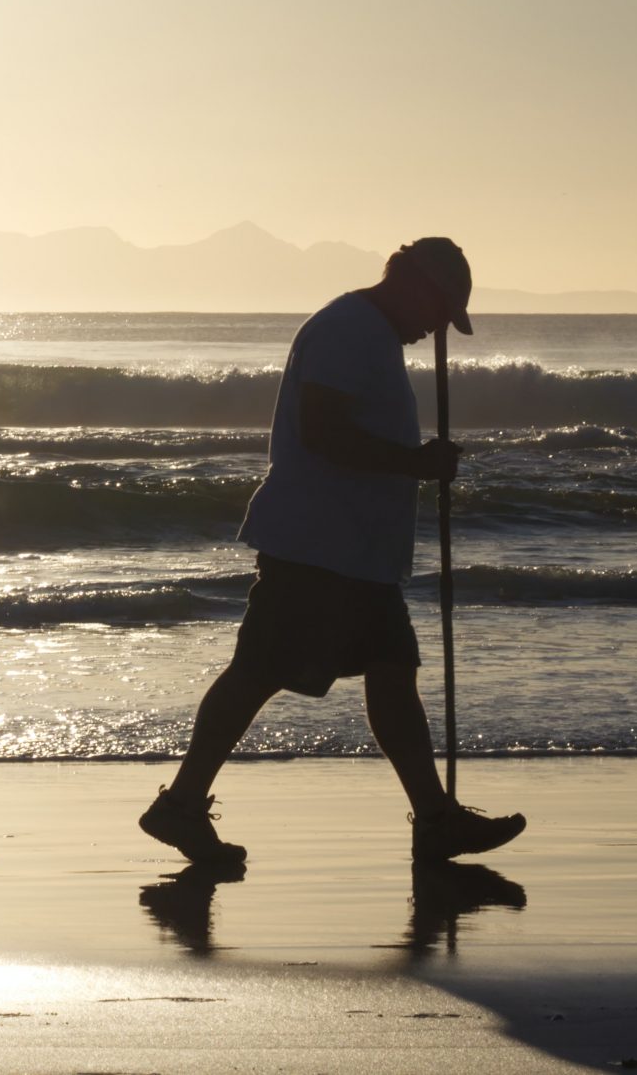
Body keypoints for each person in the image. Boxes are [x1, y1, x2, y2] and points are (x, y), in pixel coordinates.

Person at [139, 237, 526, 867]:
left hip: (354, 552)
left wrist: (413, 467)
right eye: (439, 310)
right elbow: (323, 434)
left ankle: (434, 820)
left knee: (391, 672)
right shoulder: (350, 329)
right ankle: (179, 805)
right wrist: (415, 464)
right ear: (412, 284)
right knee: (260, 671)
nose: (435, 329)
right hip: (318, 546)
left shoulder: (368, 334)